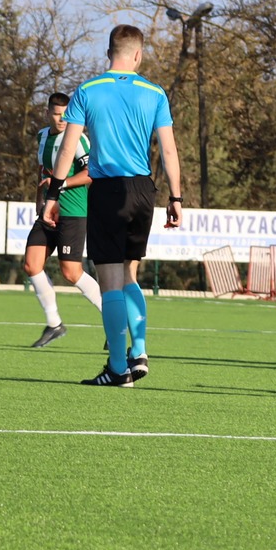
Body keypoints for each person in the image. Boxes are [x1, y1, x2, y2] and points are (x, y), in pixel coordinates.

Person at [51, 24, 182, 387]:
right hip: (142, 190)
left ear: (109, 52)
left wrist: (53, 194)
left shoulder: (87, 90)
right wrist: (176, 197)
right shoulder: (154, 92)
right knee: (130, 274)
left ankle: (117, 368)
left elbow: (68, 148)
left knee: (109, 280)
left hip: (107, 190)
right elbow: (169, 150)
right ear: (138, 54)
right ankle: (139, 351)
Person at [25, 92, 104, 347]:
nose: (62, 120)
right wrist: (40, 201)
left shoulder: (78, 139)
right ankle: (54, 324)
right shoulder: (42, 137)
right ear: (47, 113)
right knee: (31, 265)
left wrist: (61, 185)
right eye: (57, 114)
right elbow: (42, 172)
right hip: (48, 212)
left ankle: (114, 321)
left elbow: (91, 173)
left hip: (73, 211)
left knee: (71, 272)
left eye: (66, 115)